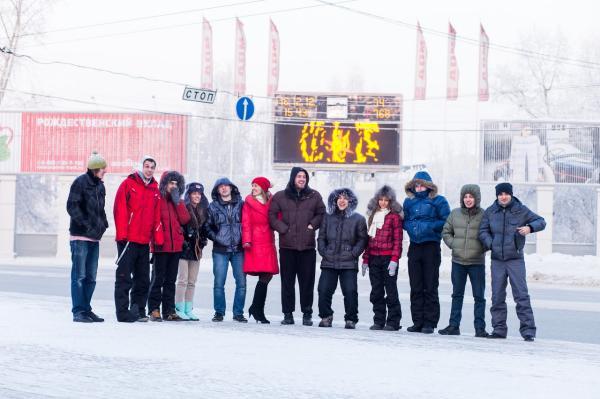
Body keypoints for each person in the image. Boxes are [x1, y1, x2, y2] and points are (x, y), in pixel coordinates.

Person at [479, 182, 546, 342]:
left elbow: (541, 221)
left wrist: (530, 227)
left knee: (521, 295)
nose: (503, 197)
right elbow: (482, 231)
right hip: (497, 261)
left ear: (511, 194)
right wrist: (491, 244)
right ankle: (499, 329)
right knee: (497, 296)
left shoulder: (520, 210)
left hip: (515, 259)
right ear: (497, 196)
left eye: (506, 194)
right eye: (500, 194)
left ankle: (528, 331)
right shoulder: (490, 211)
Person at [269, 167, 326, 326]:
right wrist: (283, 229)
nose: (302, 179)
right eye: (299, 176)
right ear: (293, 178)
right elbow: (271, 216)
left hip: (307, 247)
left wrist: (312, 226)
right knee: (287, 282)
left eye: (304, 177)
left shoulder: (314, 196)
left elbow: (321, 213)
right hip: (287, 247)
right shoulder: (280, 196)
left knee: (307, 282)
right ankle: (288, 314)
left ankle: (307, 314)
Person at [113, 156, 163, 323]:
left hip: (144, 242)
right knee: (124, 277)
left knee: (143, 279)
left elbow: (156, 217)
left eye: (152, 167)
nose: (149, 169)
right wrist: (122, 234)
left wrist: (157, 238)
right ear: (142, 167)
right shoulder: (129, 184)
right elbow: (119, 209)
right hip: (128, 240)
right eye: (146, 166)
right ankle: (122, 312)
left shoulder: (155, 190)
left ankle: (139, 310)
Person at [403, 171, 450, 334]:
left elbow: (446, 221)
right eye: (416, 184)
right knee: (415, 286)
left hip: (431, 245)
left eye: (422, 184)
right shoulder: (408, 202)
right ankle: (417, 321)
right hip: (414, 246)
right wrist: (410, 227)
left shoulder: (439, 201)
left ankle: (429, 322)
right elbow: (405, 220)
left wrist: (429, 227)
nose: (419, 187)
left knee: (430, 285)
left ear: (429, 185)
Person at [440, 184, 488, 337]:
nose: (468, 199)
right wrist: (454, 244)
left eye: (471, 196)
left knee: (479, 297)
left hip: (477, 263)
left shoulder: (484, 215)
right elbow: (446, 231)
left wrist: (482, 247)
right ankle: (454, 326)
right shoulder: (454, 214)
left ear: (477, 198)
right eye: (465, 196)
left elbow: (490, 234)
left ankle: (480, 328)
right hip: (458, 262)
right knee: (457, 295)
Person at [66, 151, 109, 323]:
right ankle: (78, 311)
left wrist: (103, 224)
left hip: (94, 238)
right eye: (103, 168)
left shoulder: (100, 186)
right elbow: (71, 206)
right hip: (80, 238)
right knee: (79, 276)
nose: (105, 171)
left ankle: (86, 308)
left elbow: (100, 210)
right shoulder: (80, 182)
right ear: (95, 169)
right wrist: (86, 225)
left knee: (91, 277)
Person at [317, 188, 368, 329]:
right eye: (339, 198)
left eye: (345, 198)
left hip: (349, 263)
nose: (342, 200)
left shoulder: (358, 219)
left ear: (350, 201)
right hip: (329, 261)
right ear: (335, 200)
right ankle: (326, 316)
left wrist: (353, 254)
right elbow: (321, 237)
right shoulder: (327, 217)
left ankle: (351, 319)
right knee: (323, 290)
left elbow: (362, 240)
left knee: (350, 291)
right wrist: (324, 252)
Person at [148, 171, 190, 322]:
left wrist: (177, 201)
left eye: (176, 184)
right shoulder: (157, 198)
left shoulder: (177, 200)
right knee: (157, 279)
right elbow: (152, 220)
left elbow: (185, 219)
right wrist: (155, 239)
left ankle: (169, 311)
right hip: (160, 245)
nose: (173, 186)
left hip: (175, 246)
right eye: (171, 183)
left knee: (170, 281)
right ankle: (153, 309)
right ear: (164, 183)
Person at [362, 185, 403, 331]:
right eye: (381, 199)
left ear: (390, 201)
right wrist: (365, 260)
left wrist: (394, 260)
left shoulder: (394, 217)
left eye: (386, 200)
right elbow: (369, 239)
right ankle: (378, 320)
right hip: (374, 258)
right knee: (376, 291)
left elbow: (398, 241)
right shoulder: (373, 216)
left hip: (387, 259)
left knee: (391, 291)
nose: (383, 203)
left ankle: (393, 321)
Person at [206, 177, 247, 322]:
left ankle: (238, 313)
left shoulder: (242, 205)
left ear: (231, 188)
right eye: (220, 187)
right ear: (217, 190)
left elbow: (249, 223)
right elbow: (207, 226)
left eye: (226, 186)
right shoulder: (212, 207)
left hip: (239, 250)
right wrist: (216, 237)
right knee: (219, 283)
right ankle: (219, 312)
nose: (224, 188)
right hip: (220, 250)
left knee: (241, 283)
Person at [242, 177, 279, 324]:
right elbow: (246, 223)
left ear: (264, 187)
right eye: (252, 185)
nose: (253, 188)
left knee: (267, 275)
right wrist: (246, 240)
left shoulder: (272, 201)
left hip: (268, 240)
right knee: (264, 275)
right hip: (256, 241)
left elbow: (278, 217)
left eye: (256, 185)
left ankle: (256, 308)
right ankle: (258, 310)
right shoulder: (249, 202)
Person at [175, 182, 209, 321]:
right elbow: (179, 225)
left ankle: (189, 309)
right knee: (182, 280)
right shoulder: (184, 207)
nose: (197, 196)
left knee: (192, 281)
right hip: (184, 249)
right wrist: (183, 240)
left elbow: (204, 229)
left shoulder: (202, 210)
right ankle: (179, 308)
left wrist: (203, 240)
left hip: (196, 250)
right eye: (194, 193)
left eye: (199, 194)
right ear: (189, 194)